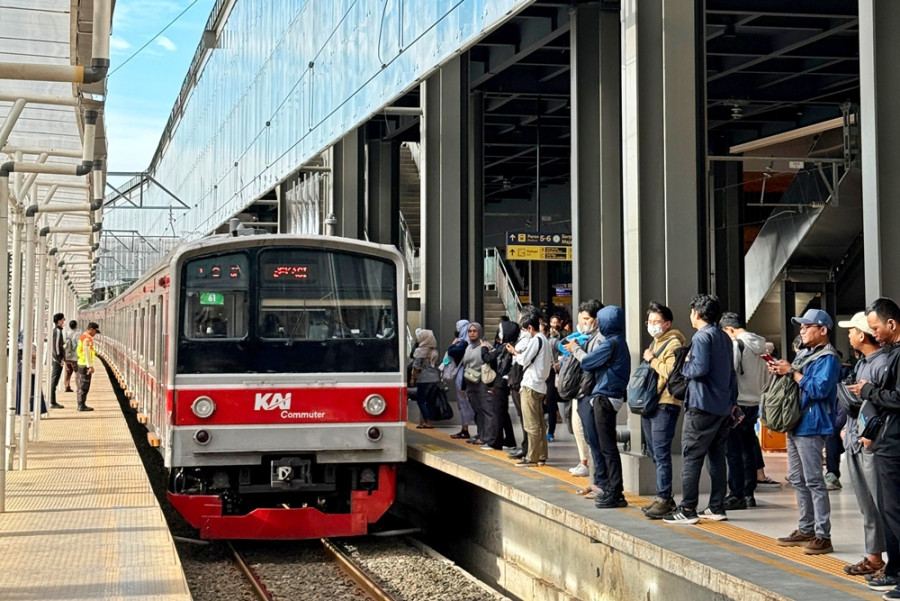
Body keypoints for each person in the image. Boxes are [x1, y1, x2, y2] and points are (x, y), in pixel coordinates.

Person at [770, 308, 840, 555]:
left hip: (812, 424)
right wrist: (782, 370)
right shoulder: (805, 355)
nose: (802, 330)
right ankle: (806, 528)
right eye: (801, 326)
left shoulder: (829, 358)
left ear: (823, 330)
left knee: (814, 481)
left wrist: (793, 372)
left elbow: (819, 389)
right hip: (796, 423)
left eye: (807, 326)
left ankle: (823, 535)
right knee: (798, 479)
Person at [664, 294, 736, 525]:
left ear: (697, 313)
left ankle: (687, 509)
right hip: (722, 406)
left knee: (692, 457)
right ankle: (716, 506)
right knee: (717, 457)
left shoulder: (702, 337)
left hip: (701, 405)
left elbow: (698, 369)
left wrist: (684, 364)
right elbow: (731, 373)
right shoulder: (724, 337)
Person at [846, 298, 900, 594]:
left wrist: (870, 392)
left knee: (891, 510)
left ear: (891, 324)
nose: (873, 333)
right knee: (887, 510)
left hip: (890, 441)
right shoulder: (888, 355)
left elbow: (896, 398)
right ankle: (891, 568)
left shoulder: (893, 357)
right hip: (884, 441)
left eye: (876, 327)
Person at [837, 312, 887, 577]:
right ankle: (874, 557)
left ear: (863, 334)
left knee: (882, 503)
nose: (849, 334)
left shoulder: (882, 363)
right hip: (857, 439)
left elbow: (882, 404)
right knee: (866, 504)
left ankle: (891, 561)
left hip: (872, 443)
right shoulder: (863, 362)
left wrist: (869, 432)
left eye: (852, 330)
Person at [574, 305, 630, 509]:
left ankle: (615, 492)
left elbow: (587, 363)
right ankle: (613, 490)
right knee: (608, 447)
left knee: (607, 448)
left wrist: (575, 349)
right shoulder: (620, 341)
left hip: (604, 398)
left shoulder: (610, 343)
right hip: (611, 397)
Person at [718, 312, 770, 510]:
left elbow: (729, 374)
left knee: (733, 451)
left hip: (737, 404)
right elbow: (766, 378)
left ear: (730, 329)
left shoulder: (736, 344)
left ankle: (736, 494)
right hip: (754, 403)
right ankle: (749, 493)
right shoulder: (761, 346)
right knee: (749, 448)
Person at [640, 302, 686, 519]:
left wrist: (651, 359)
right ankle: (663, 497)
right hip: (652, 402)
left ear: (667, 324)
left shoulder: (674, 342)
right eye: (649, 322)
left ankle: (664, 497)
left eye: (656, 322)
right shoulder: (657, 341)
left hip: (666, 402)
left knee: (661, 452)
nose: (652, 325)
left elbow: (670, 371)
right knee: (654, 452)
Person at [563, 299, 607, 496]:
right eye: (581, 319)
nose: (583, 323)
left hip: (593, 395)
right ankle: (596, 482)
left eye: (587, 319)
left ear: (597, 320)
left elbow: (590, 363)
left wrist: (576, 350)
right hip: (584, 394)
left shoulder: (602, 340)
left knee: (597, 443)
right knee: (591, 440)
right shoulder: (586, 337)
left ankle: (602, 484)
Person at [507, 306, 551, 467]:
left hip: (530, 385)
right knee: (539, 424)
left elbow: (524, 360)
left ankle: (531, 457)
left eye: (525, 329)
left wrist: (514, 353)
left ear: (530, 327)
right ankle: (541, 455)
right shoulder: (545, 340)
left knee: (531, 424)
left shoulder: (535, 340)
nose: (524, 332)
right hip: (540, 386)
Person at [480, 320, 520, 450]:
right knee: (503, 413)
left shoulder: (505, 347)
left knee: (497, 412)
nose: (500, 334)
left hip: (501, 383)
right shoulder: (509, 346)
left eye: (502, 331)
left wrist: (483, 348)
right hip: (505, 383)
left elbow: (487, 358)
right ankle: (509, 440)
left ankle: (495, 442)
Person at [461, 323, 490, 446]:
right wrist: (463, 387)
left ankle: (486, 436)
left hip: (481, 382)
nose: (472, 333)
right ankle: (480, 433)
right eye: (470, 331)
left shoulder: (485, 346)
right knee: (476, 410)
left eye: (474, 331)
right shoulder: (468, 347)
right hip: (470, 382)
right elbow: (465, 366)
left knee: (485, 410)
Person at [447, 319, 475, 440]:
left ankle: (465, 429)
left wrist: (453, 344)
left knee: (464, 403)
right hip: (471, 374)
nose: (456, 329)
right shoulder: (472, 343)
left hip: (463, 375)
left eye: (458, 327)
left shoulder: (463, 343)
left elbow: (451, 352)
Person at [411, 329, 440, 429]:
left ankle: (427, 421)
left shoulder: (420, 351)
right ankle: (430, 421)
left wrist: (412, 378)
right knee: (430, 401)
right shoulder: (434, 351)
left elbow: (416, 366)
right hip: (435, 378)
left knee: (421, 400)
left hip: (424, 379)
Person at [75, 322, 101, 412]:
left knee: (82, 385)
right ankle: (81, 405)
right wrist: (90, 366)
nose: (95, 334)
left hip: (82, 363)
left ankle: (81, 404)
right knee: (84, 386)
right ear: (91, 329)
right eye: (95, 332)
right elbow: (87, 353)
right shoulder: (86, 339)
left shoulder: (84, 337)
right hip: (84, 365)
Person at [49, 313, 66, 409]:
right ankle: (52, 401)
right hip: (57, 360)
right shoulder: (57, 331)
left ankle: (53, 401)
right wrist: (59, 359)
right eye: (63, 320)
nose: (64, 321)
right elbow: (56, 346)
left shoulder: (57, 331)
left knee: (55, 380)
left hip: (57, 359)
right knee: (54, 380)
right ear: (59, 321)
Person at [63, 320, 79, 392]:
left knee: (67, 372)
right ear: (76, 326)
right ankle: (78, 387)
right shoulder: (77, 334)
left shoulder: (66, 334)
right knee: (77, 372)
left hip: (67, 357)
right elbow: (79, 345)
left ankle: (67, 386)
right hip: (74, 357)